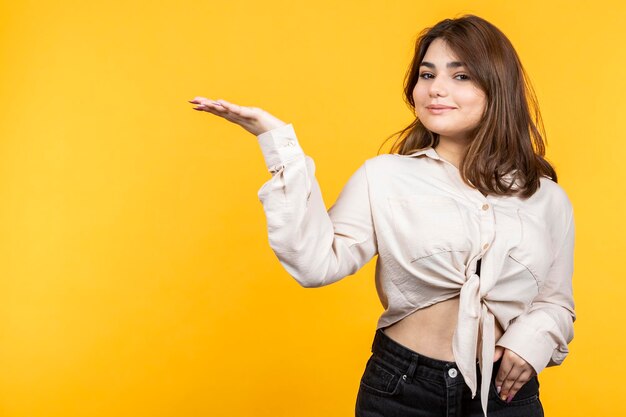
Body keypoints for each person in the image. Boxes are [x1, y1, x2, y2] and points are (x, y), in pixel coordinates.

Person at [188, 14, 575, 417]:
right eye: (427, 74)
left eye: (460, 76)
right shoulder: (384, 176)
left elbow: (555, 302)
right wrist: (277, 142)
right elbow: (316, 263)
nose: (436, 89)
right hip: (403, 389)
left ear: (498, 89)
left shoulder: (547, 198)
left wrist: (531, 341)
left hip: (506, 395)